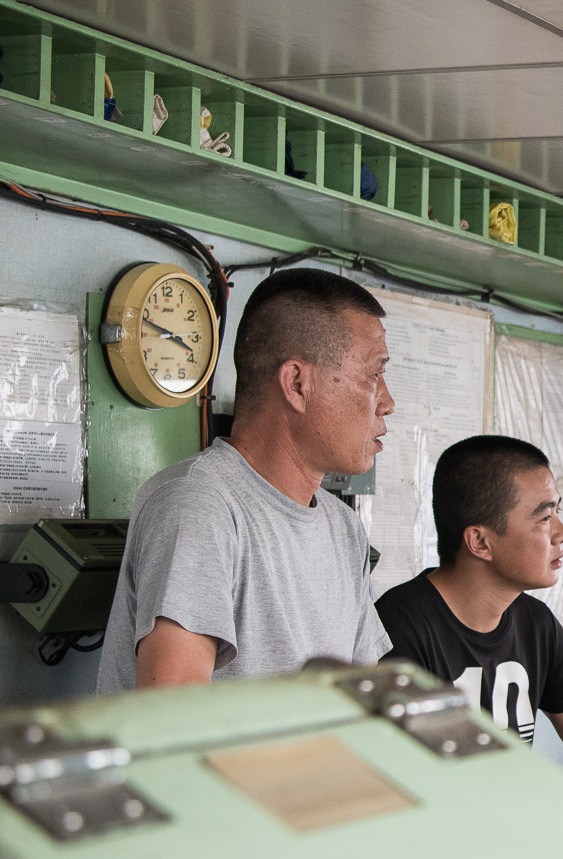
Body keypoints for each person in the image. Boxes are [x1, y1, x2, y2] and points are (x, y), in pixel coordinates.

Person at [100, 269, 395, 692]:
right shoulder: (200, 506)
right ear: (297, 384)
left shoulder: (344, 528)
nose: (387, 402)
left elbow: (363, 695)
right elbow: (173, 717)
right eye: (373, 375)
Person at [374, 435, 563, 809]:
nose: (562, 533)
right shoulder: (398, 629)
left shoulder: (537, 624)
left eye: (557, 511)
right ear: (480, 542)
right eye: (545, 517)